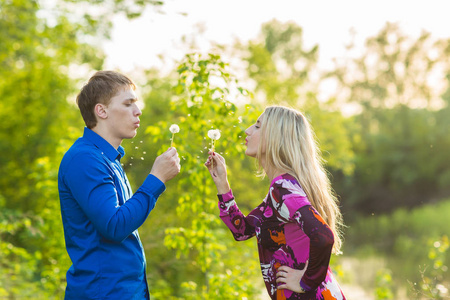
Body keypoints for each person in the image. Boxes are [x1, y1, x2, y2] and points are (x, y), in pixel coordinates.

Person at [58, 70, 181, 299]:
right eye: (128, 104)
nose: (138, 111)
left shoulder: (108, 159)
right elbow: (114, 226)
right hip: (102, 293)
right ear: (101, 111)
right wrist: (156, 179)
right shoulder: (84, 160)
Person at [205, 105, 346, 300]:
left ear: (274, 137)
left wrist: (306, 281)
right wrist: (222, 184)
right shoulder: (281, 189)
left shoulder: (283, 189)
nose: (247, 130)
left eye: (257, 126)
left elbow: (323, 236)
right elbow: (242, 230)